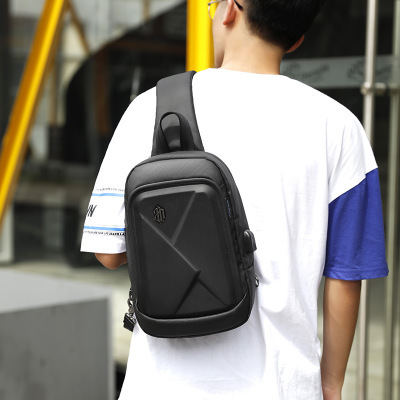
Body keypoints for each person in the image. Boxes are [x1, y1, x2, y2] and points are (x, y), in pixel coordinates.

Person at [81, 0, 388, 399]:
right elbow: (346, 276)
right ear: (297, 39)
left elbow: (109, 252)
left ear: (229, 9)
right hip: (282, 387)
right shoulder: (342, 128)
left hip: (161, 386)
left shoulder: (153, 109)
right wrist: (330, 385)